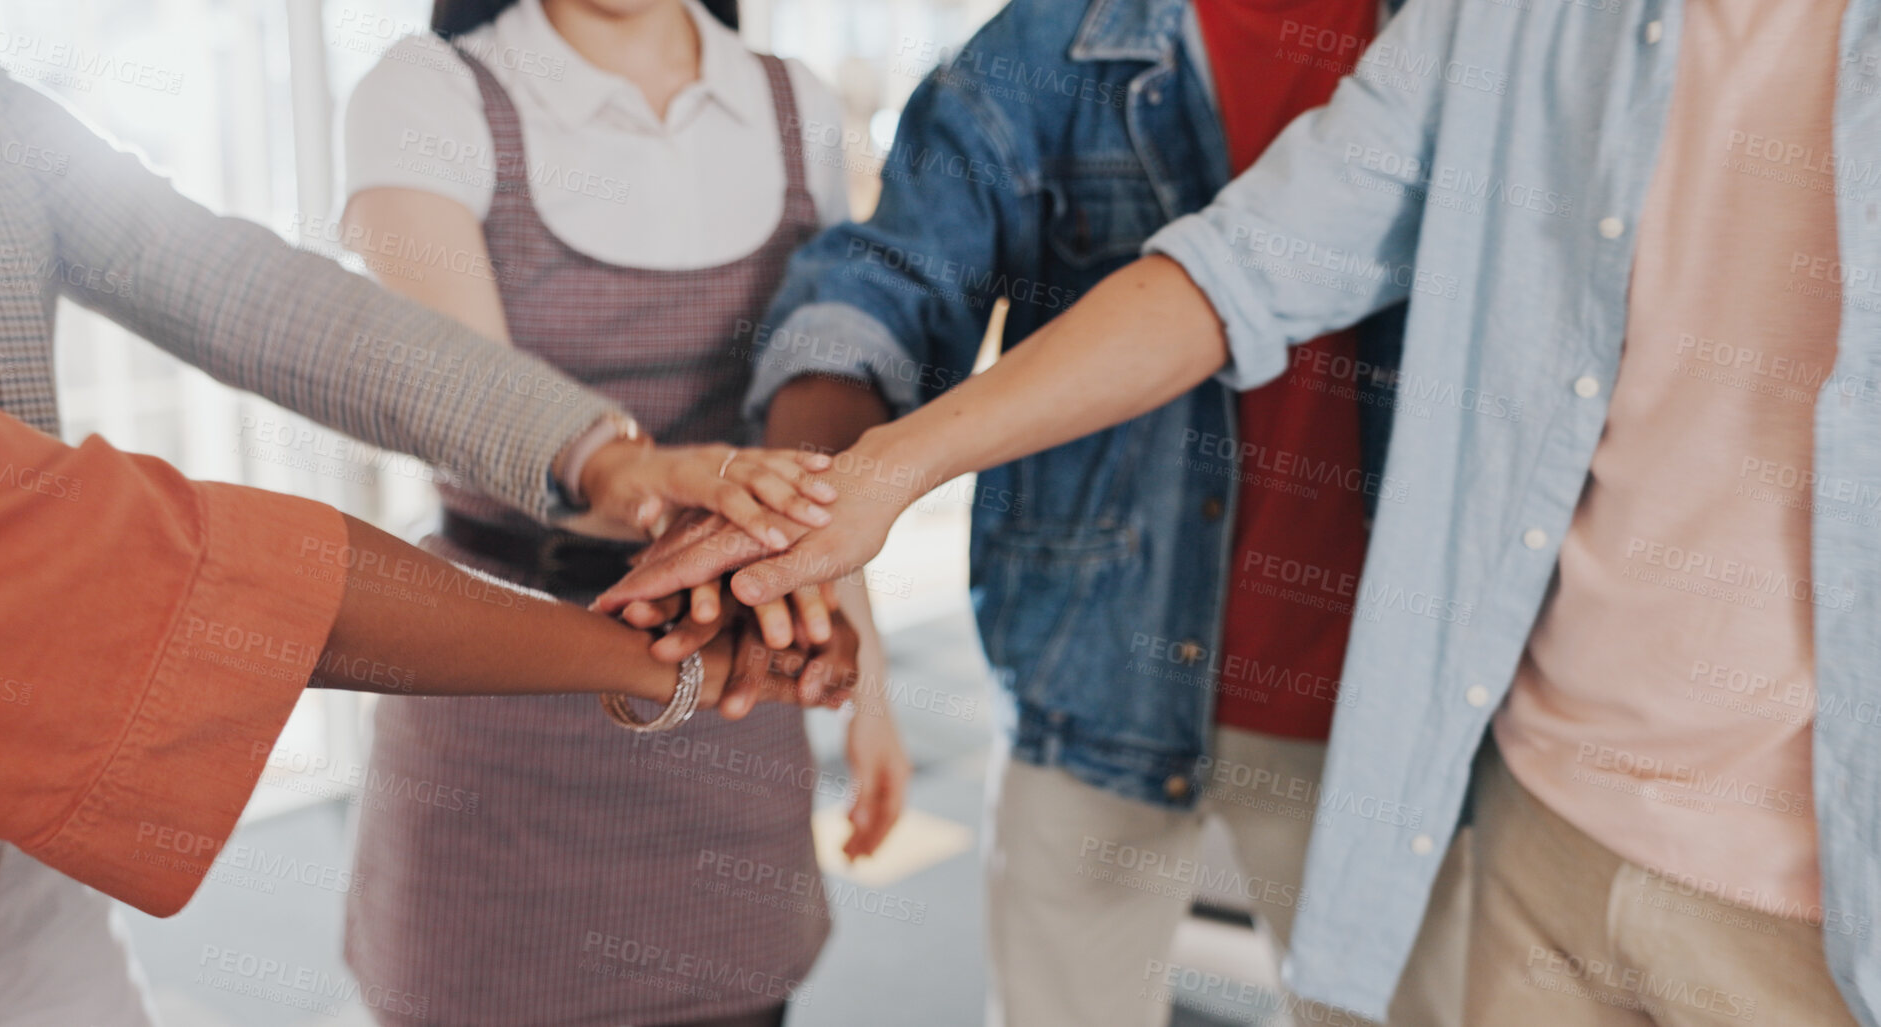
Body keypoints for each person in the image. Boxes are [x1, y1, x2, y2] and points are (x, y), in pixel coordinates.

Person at [600, 0, 1881, 1023]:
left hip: (1386, 713)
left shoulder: (1440, 24)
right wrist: (835, 490)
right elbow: (910, 284)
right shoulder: (1065, 40)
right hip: (1103, 688)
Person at [0, 23, 834, 1027]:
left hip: (20, 880)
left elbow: (240, 288)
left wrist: (604, 455)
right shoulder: (440, 92)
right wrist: (665, 663)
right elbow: (245, 586)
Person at [647, 0, 1467, 1023]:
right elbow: (886, 280)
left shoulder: (1473, 41)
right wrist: (805, 492)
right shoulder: (1049, 46)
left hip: (1376, 704)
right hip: (1093, 669)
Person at [334, 1, 908, 1024]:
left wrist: (872, 693)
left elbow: (815, 439)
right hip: (497, 688)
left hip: (737, 693)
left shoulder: (792, 106)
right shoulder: (430, 91)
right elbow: (475, 411)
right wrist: (668, 497)